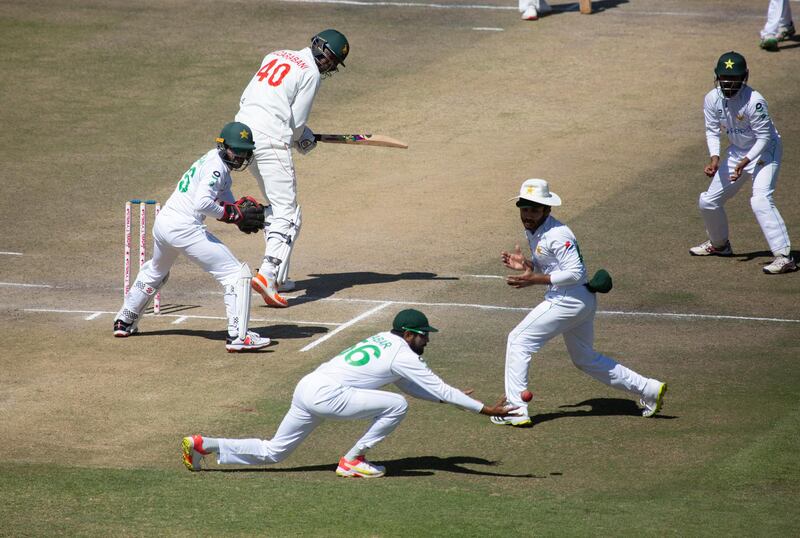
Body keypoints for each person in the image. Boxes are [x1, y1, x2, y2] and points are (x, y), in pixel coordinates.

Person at [181, 309, 515, 478]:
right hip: (328, 395)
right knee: (397, 406)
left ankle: (203, 444)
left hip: (308, 386)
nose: (427, 341)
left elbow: (415, 386)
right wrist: (485, 410)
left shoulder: (383, 340)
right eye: (424, 336)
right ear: (410, 334)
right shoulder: (403, 352)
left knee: (275, 452)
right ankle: (353, 460)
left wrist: (443, 397)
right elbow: (427, 388)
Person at [490, 179, 668, 428]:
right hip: (578, 300)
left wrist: (535, 279)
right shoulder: (536, 231)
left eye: (534, 209)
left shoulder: (558, 233)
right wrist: (527, 266)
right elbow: (553, 266)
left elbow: (575, 273)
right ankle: (649, 388)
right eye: (524, 209)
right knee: (585, 358)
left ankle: (516, 409)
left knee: (518, 340)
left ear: (547, 210)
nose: (528, 215)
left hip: (568, 299)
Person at [113, 122, 271, 352]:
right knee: (236, 275)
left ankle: (124, 320)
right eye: (236, 151)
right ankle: (239, 336)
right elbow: (204, 203)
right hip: (184, 228)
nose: (240, 157)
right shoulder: (216, 168)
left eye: (244, 152)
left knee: (156, 270)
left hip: (165, 224)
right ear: (223, 146)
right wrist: (232, 215)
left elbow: (225, 200)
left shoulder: (215, 164)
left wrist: (237, 213)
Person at [234, 29, 350, 308]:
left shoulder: (275, 54)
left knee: (282, 209)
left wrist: (298, 134)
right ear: (319, 48)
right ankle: (267, 274)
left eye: (332, 62)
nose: (328, 65)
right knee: (287, 212)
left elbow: (246, 97)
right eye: (330, 59)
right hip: (271, 139)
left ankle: (279, 276)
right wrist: (303, 138)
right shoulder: (310, 73)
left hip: (242, 135)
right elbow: (296, 123)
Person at [689, 51, 795, 274]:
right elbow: (711, 130)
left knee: (760, 199)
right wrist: (715, 158)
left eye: (734, 78)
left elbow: (765, 137)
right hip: (738, 151)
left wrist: (745, 162)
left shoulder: (755, 101)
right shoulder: (712, 99)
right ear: (717, 77)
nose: (729, 83)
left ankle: (784, 257)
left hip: (765, 151)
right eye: (725, 78)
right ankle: (720, 245)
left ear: (744, 77)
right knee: (708, 202)